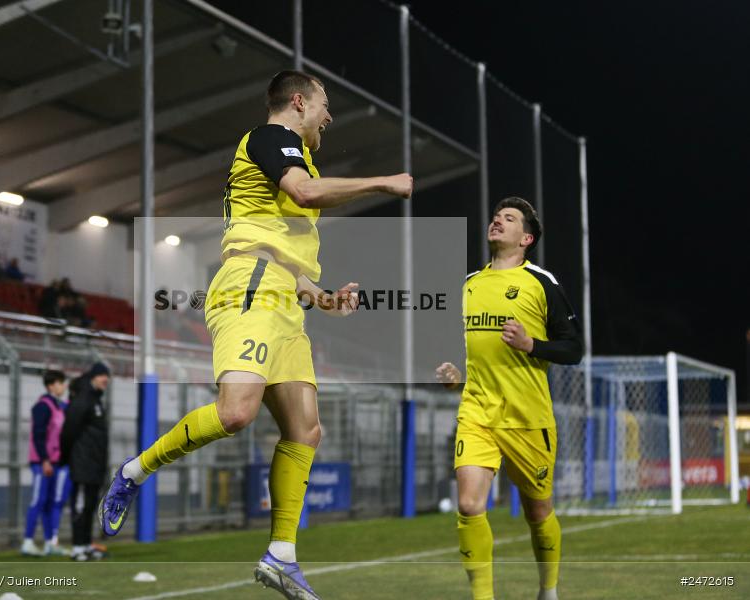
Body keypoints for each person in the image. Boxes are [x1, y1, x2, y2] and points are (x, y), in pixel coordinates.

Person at [98, 70, 413, 600]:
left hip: (282, 295)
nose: (329, 117)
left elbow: (288, 254)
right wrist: (383, 182)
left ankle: (282, 556)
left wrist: (324, 297)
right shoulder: (272, 138)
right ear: (298, 103)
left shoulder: (294, 154)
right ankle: (133, 470)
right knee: (235, 413)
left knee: (307, 430)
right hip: (250, 286)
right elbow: (306, 195)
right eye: (324, 106)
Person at [435, 197, 583, 600]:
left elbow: (573, 349)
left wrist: (531, 344)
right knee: (468, 505)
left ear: (526, 238)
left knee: (538, 512)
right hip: (478, 411)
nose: (498, 220)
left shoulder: (542, 283)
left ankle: (547, 591)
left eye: (510, 218)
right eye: (497, 216)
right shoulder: (470, 284)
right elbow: (470, 352)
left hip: (527, 417)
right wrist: (455, 378)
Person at [60, 362, 111, 561]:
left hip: (95, 464)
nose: (106, 380)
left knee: (90, 506)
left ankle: (87, 545)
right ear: (93, 377)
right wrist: (65, 458)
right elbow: (69, 431)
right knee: (81, 507)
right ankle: (77, 548)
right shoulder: (83, 399)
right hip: (82, 463)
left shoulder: (95, 399)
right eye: (102, 376)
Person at [21, 370, 71, 557]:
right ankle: (28, 541)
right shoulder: (43, 406)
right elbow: (38, 435)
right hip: (43, 462)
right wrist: (44, 460)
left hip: (56, 462)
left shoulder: (60, 406)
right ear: (51, 385)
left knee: (52, 503)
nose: (63, 386)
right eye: (61, 383)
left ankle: (51, 542)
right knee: (38, 500)